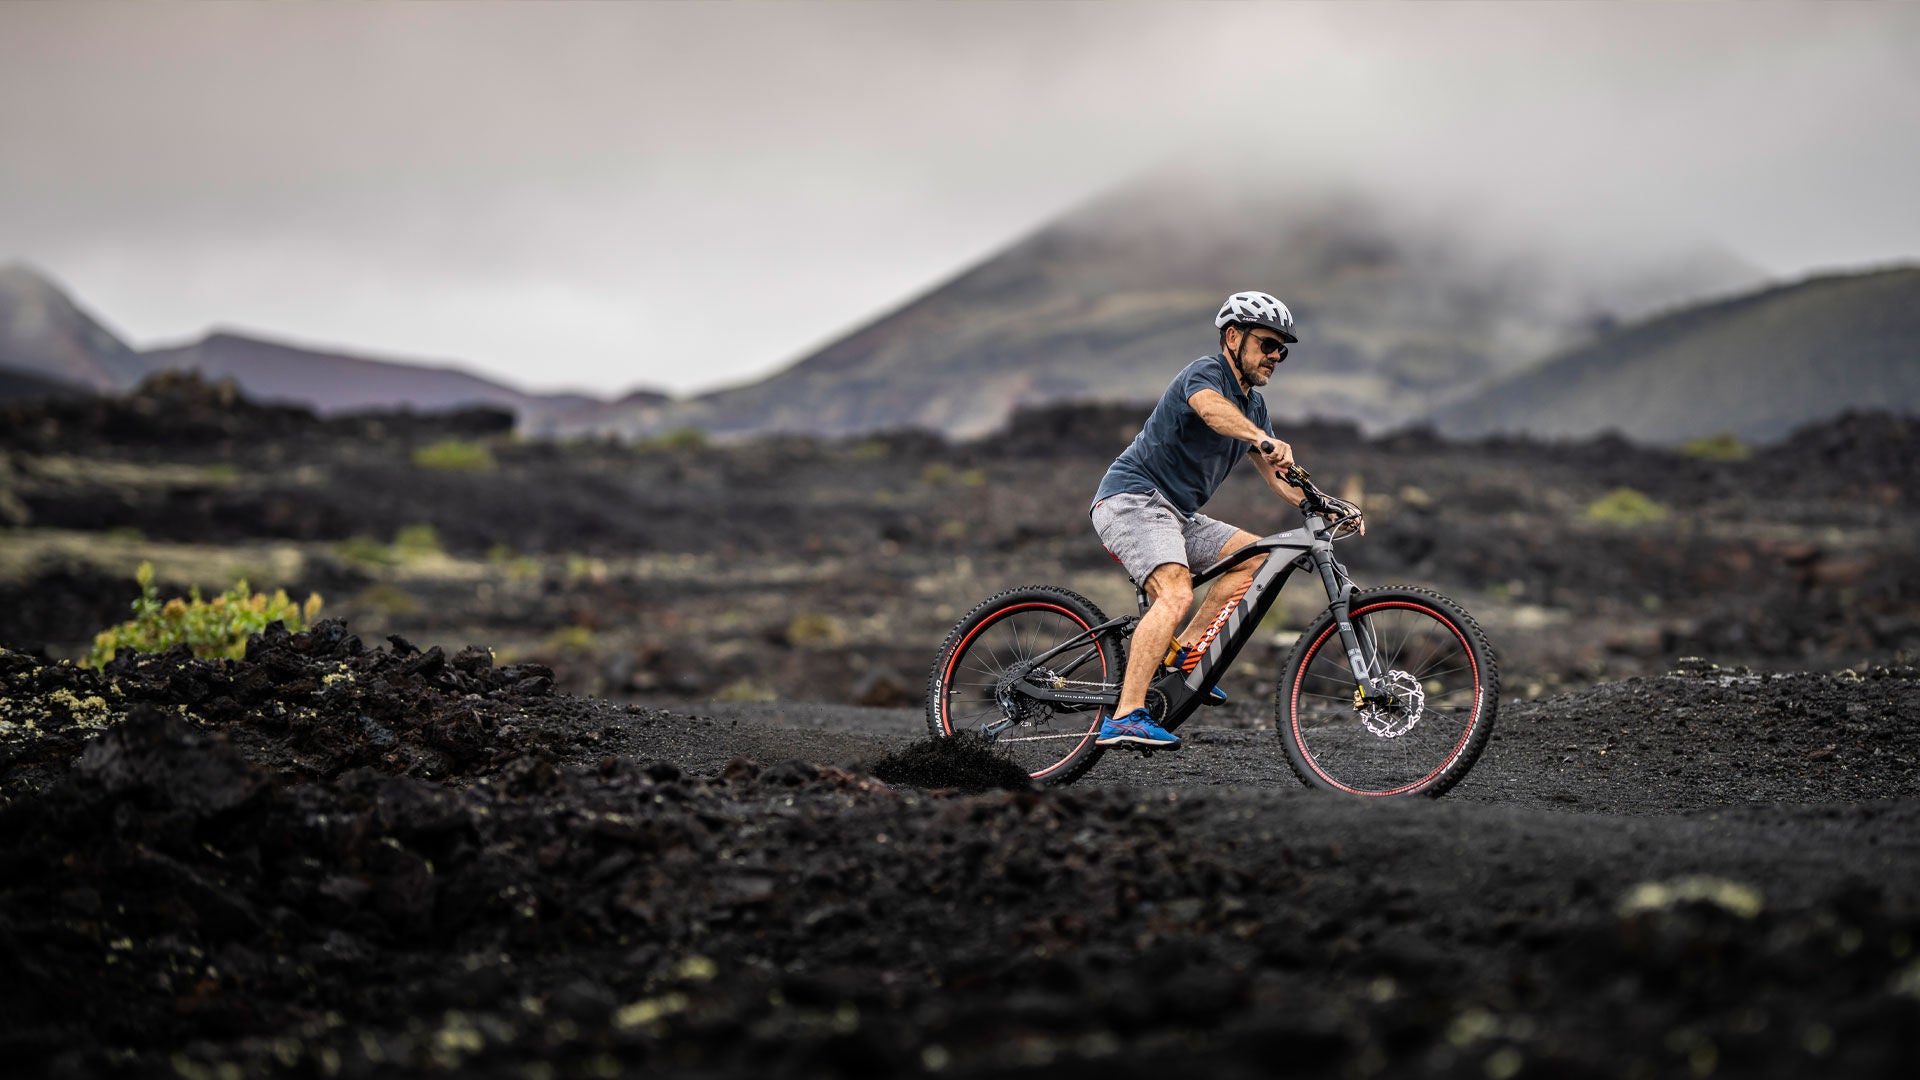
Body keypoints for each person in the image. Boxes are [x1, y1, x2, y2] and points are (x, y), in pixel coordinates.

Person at [1087, 290, 1307, 748]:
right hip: (1132, 500)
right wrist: (1260, 438)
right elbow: (1210, 409)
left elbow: (1281, 481)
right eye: (1267, 344)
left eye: (1281, 350)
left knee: (1256, 557)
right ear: (1233, 336)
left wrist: (1321, 504)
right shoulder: (1205, 373)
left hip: (1178, 515)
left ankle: (1184, 655)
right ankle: (1125, 715)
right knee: (1176, 590)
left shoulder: (1256, 408)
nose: (1275, 357)